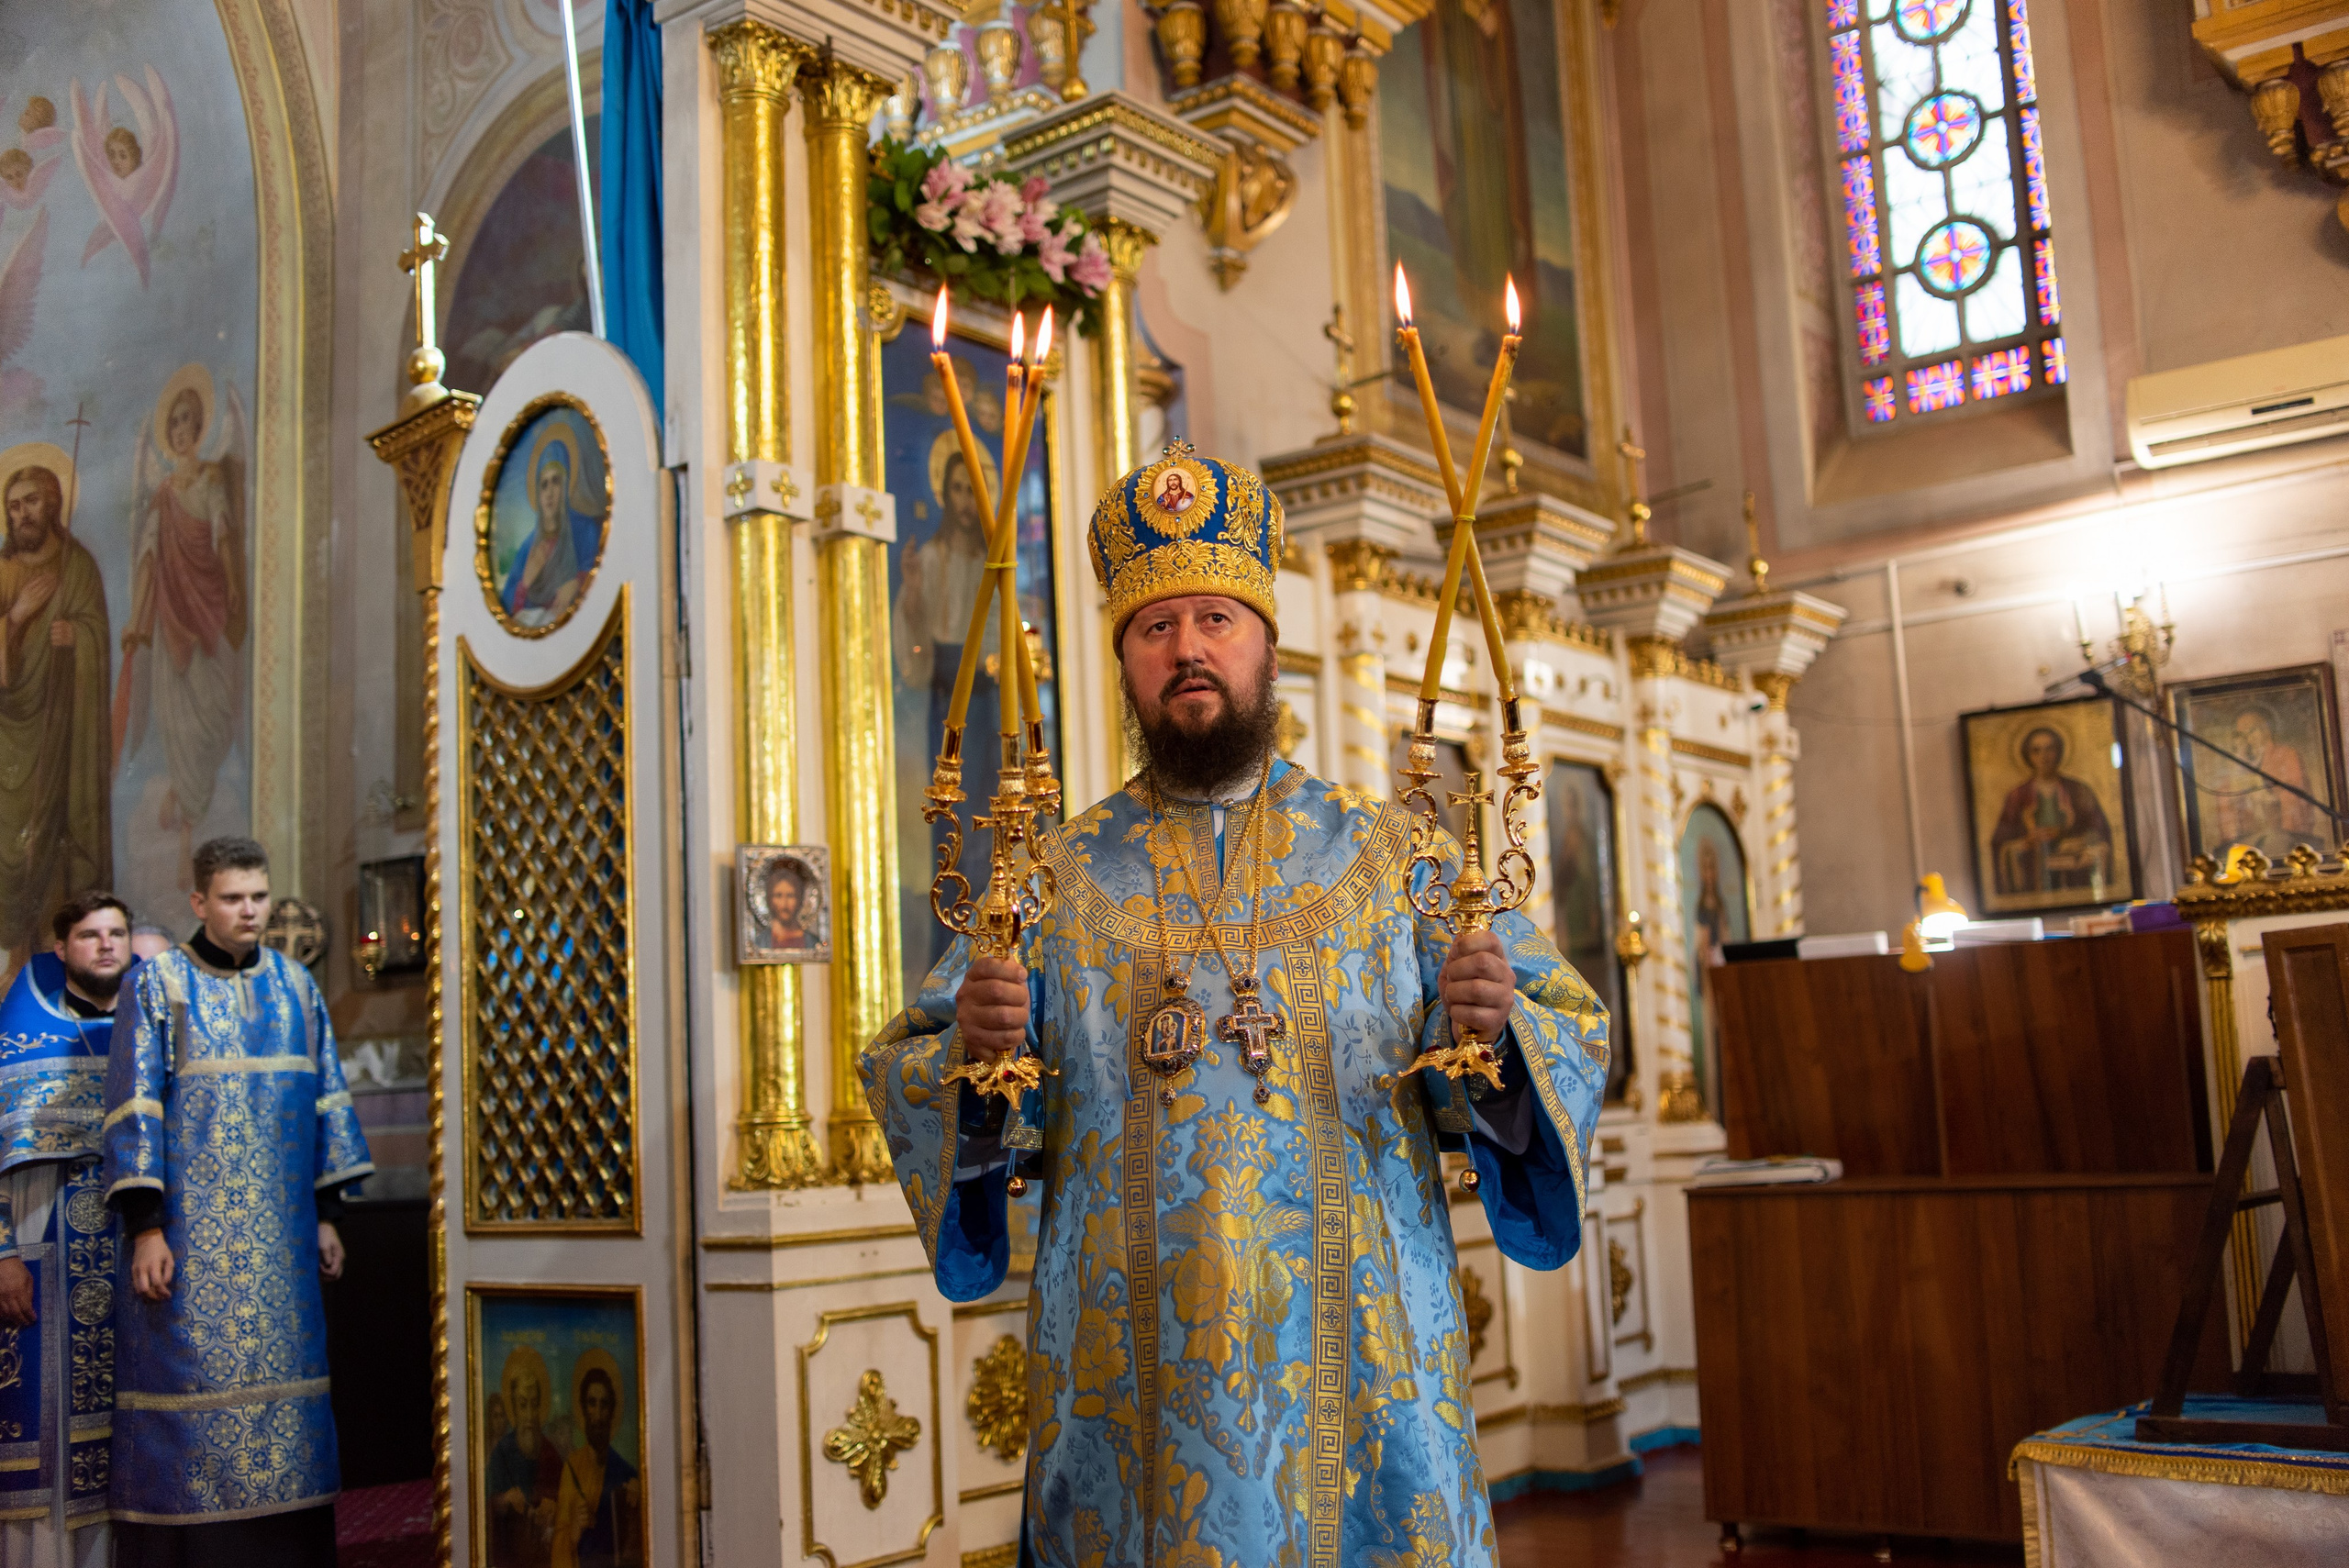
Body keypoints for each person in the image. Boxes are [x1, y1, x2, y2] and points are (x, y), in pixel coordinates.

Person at [861, 439, 1609, 1566]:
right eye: (1155, 628)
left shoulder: (1393, 857)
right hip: (1130, 1393)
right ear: (1126, 661)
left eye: (1215, 619)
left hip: (1366, 1381)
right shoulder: (1049, 880)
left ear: (1265, 641)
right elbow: (923, 1073)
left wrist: (1491, 1032)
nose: (1187, 649)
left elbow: (1561, 1034)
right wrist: (978, 1051)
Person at [100, 836, 373, 1565]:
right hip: (191, 1252)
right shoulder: (157, 985)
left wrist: (329, 1216)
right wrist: (146, 1227)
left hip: (284, 1251)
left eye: (258, 896)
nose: (249, 910)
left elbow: (327, 1101)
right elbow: (134, 1108)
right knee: (190, 1400)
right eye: (232, 897)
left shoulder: (296, 986)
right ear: (200, 901)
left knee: (292, 1427)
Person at [0, 891, 137, 1563]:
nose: (106, 945)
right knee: (48, 1432)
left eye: (117, 933)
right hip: (45, 1248)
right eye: (90, 935)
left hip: (135, 1253)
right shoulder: (22, 1036)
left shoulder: (150, 1029)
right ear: (63, 948)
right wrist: (2, 1254)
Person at [117, 367, 246, 862]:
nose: (180, 430)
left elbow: (223, 532)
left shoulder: (212, 477)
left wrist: (232, 583)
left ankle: (195, 798)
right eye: (173, 423)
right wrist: (137, 619)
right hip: (171, 613)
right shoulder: (163, 493)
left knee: (212, 710)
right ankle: (188, 814)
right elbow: (148, 556)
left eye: (188, 420)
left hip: (207, 603)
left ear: (201, 428)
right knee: (175, 711)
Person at [0, 458, 112, 985]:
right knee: (10, 843)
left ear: (53, 504)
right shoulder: (3, 572)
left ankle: (53, 949)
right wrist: (17, 617)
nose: (22, 514)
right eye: (13, 506)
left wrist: (78, 639)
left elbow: (97, 640)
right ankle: (12, 954)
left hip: (62, 733)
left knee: (54, 837)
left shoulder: (78, 568)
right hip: (8, 737)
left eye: (32, 501)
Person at [501, 419, 604, 627]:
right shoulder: (528, 547)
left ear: (566, 487)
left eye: (556, 481)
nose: (549, 493)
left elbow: (602, 572)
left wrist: (577, 583)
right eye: (544, 484)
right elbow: (507, 608)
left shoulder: (584, 529)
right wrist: (525, 584)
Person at [1988, 727, 2113, 896]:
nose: (2044, 756)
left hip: (2074, 870)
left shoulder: (2079, 790)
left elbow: (2100, 831)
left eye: (2049, 749)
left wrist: (2079, 841)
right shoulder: (2017, 796)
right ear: (2028, 756)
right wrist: (2026, 841)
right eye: (2036, 750)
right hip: (2032, 870)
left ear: (2059, 752)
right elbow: (2000, 842)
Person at [552, 1358, 640, 1568]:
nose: (598, 1415)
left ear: (612, 1411)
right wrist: (573, 1531)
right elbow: (558, 1547)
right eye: (592, 1403)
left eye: (604, 1404)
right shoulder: (572, 1468)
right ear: (584, 1409)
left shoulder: (626, 1474)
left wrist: (637, 1507)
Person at [2211, 705, 2324, 857]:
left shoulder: (2287, 754)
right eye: (2241, 734)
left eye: (2252, 730)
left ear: (2267, 729)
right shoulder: (2239, 762)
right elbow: (2225, 795)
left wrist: (2269, 794)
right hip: (2250, 832)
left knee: (2275, 843)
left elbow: (2297, 790)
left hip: (2280, 829)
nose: (2248, 738)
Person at [487, 1346, 563, 1568]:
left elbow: (565, 1502)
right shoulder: (502, 1453)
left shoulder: (549, 1452)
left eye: (534, 1404)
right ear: (513, 1407)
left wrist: (554, 1510)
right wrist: (505, 1500)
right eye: (522, 1405)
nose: (529, 1414)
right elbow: (483, 1505)